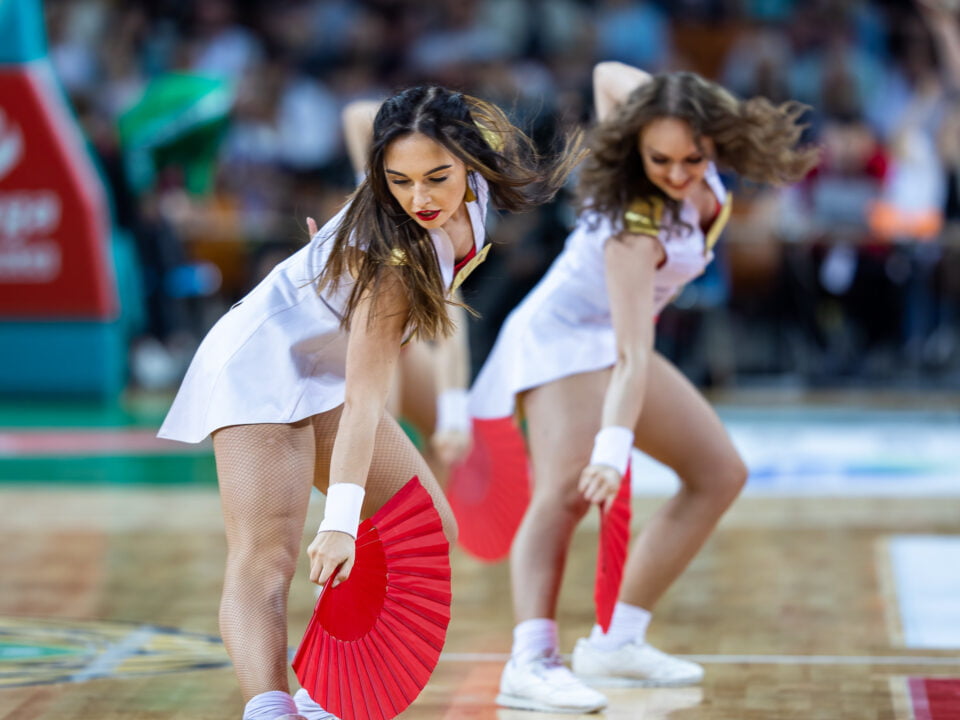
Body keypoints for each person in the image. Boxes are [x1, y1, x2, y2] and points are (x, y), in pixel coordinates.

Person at [157, 85, 583, 720]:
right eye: (399, 180)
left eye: (437, 177)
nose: (420, 199)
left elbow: (365, 114)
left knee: (427, 528)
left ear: (470, 161)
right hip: (258, 366)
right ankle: (271, 711)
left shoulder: (473, 195)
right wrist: (337, 526)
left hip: (324, 368)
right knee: (267, 558)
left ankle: (326, 699)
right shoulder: (390, 256)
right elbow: (364, 402)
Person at [469, 61, 819, 714]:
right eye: (661, 160)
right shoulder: (635, 222)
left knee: (720, 473)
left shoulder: (684, 140)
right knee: (568, 489)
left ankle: (616, 640)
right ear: (640, 149)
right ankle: (530, 660)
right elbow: (631, 354)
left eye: (694, 157)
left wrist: (665, 100)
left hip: (617, 341)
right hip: (567, 337)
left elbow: (604, 74)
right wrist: (611, 447)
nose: (681, 174)